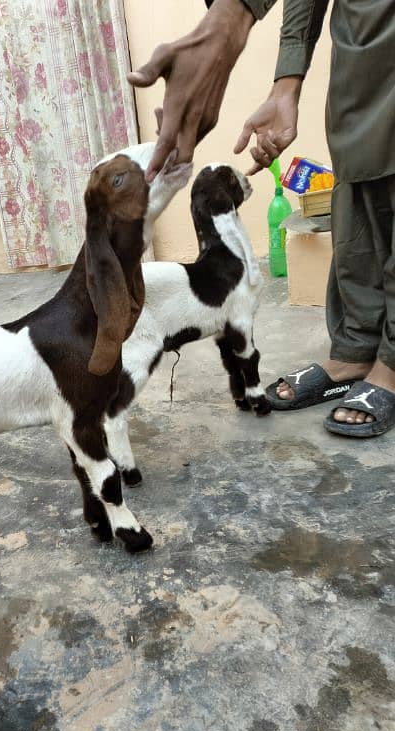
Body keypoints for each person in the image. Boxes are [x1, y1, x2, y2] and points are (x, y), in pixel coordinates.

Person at [128, 0, 395, 438]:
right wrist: (284, 84)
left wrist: (227, 26)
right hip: (360, 46)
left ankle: (392, 363)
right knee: (358, 190)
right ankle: (356, 348)